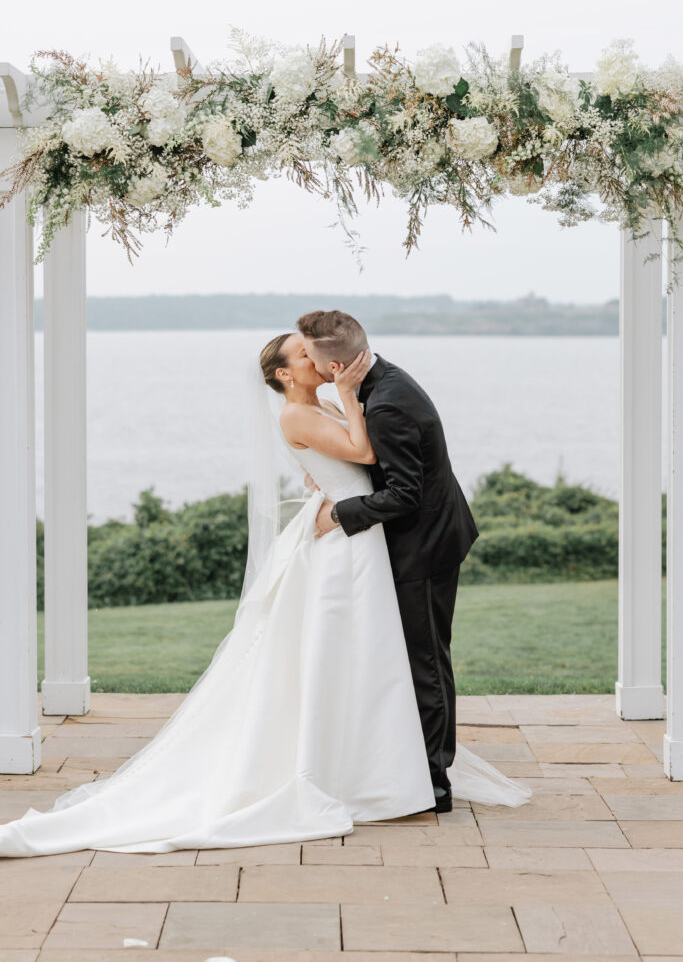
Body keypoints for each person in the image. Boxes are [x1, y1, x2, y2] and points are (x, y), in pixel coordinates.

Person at [0, 329, 530, 858]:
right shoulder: (297, 413)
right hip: (343, 539)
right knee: (347, 652)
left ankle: (378, 767)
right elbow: (363, 447)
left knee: (370, 657)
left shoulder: (316, 404)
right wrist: (348, 396)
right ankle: (362, 772)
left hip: (356, 533)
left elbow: (357, 458)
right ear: (283, 374)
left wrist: (326, 462)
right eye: (303, 355)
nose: (317, 359)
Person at [298, 309, 479, 809]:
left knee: (426, 661)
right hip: (426, 535)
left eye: (311, 358)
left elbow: (404, 496)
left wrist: (339, 514)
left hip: (424, 545)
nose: (309, 367)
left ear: (337, 369)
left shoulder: (386, 406)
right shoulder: (383, 380)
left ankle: (434, 780)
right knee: (418, 657)